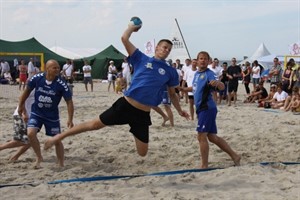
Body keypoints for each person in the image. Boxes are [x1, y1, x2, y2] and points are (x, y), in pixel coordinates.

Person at [44, 20, 189, 159]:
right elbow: (124, 38)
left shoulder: (170, 71)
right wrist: (132, 28)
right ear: (157, 48)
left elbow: (172, 94)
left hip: (142, 114)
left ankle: (133, 129)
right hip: (125, 105)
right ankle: (58, 137)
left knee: (143, 152)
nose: (166, 50)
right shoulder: (142, 58)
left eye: (169, 49)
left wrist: (179, 111)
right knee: (94, 125)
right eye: (164, 47)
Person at [182, 51, 240, 169]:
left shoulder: (210, 73)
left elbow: (221, 86)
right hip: (201, 109)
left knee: (201, 136)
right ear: (197, 61)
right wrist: (181, 89)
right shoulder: (197, 74)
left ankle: (204, 165)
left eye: (205, 59)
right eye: (201, 58)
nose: (202, 60)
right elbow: (194, 88)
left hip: (207, 108)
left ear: (208, 61)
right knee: (212, 137)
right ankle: (235, 156)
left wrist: (218, 83)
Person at [18, 59, 74, 169]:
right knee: (30, 134)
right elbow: (26, 92)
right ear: (47, 68)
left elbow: (69, 102)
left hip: (51, 116)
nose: (57, 69)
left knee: (57, 140)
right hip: (37, 113)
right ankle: (39, 157)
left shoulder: (61, 84)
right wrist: (21, 106)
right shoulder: (37, 78)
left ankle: (61, 162)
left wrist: (70, 119)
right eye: (54, 68)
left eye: (58, 67)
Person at [0, 90, 34, 161]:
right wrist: (24, 113)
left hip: (30, 117)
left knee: (31, 141)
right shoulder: (33, 84)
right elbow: (21, 98)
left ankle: (14, 158)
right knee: (23, 141)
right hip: (22, 116)